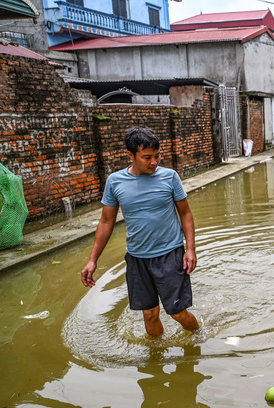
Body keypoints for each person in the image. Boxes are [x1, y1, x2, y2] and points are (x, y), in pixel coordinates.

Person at [81, 127, 199, 336]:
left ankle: (199, 338)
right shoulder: (115, 182)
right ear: (130, 155)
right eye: (147, 157)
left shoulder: (169, 177)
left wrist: (190, 249)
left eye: (157, 156)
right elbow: (106, 222)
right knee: (149, 314)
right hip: (137, 259)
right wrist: (92, 260)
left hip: (170, 255)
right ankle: (157, 357)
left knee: (177, 312)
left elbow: (186, 213)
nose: (154, 162)